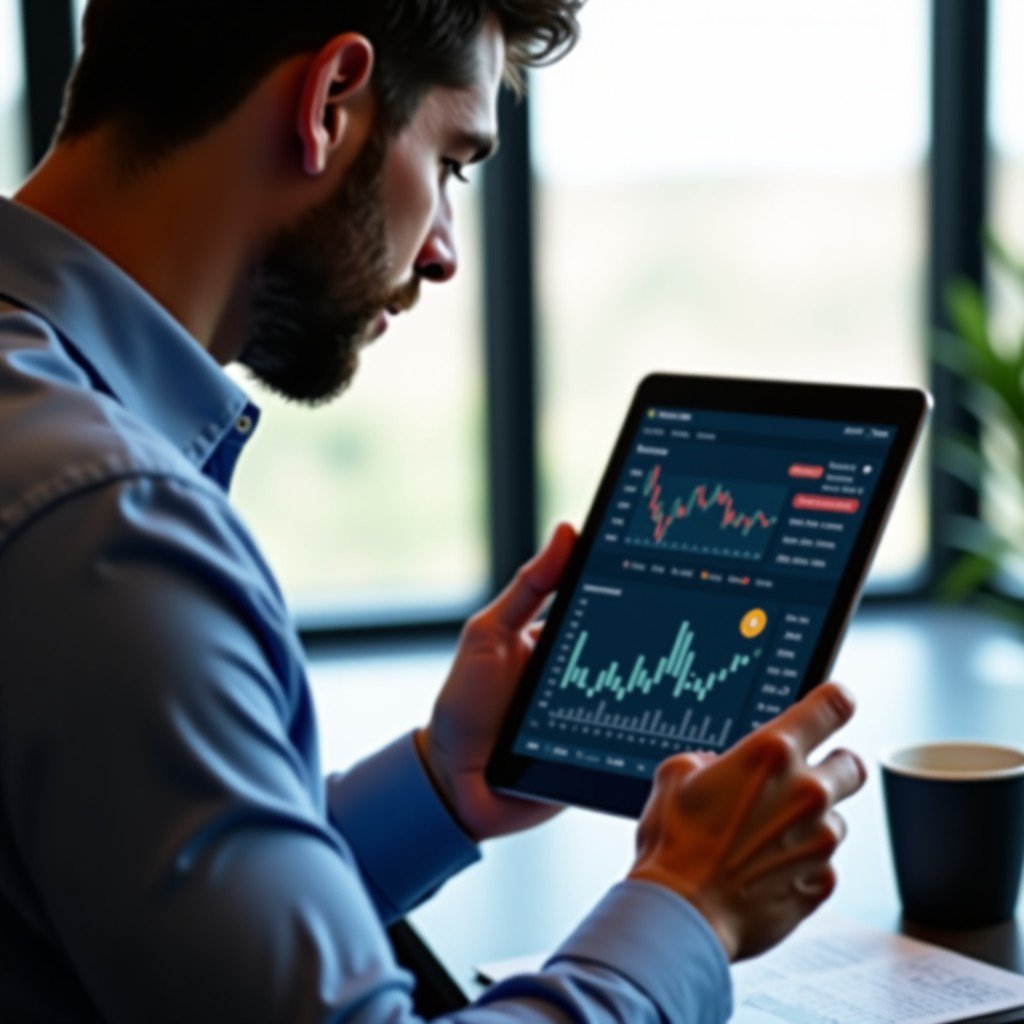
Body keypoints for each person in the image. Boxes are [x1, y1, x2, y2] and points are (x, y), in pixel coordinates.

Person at [0, 2, 866, 1021]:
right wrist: (688, 907)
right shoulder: (109, 525)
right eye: (453, 164)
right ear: (330, 101)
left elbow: (141, 918)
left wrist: (438, 788)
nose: (447, 250)